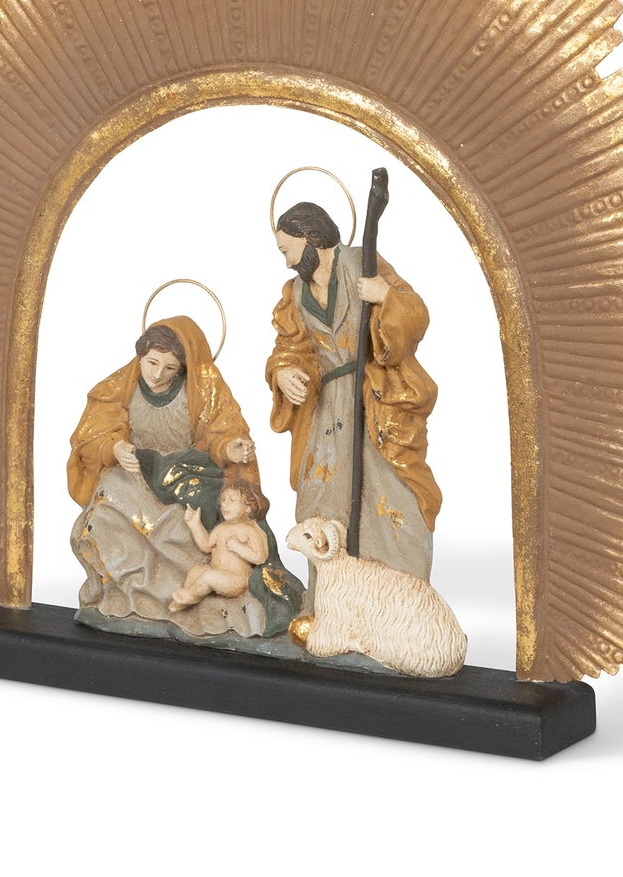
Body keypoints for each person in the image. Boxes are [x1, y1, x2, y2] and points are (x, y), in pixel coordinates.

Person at [69, 315, 301, 637]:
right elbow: (92, 434)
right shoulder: (119, 387)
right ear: (141, 356)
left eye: (169, 368)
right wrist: (115, 448)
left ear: (182, 368)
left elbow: (223, 431)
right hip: (136, 471)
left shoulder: (202, 387)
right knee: (105, 501)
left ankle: (197, 591)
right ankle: (133, 587)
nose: (156, 374)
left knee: (197, 514)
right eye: (151, 362)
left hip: (189, 474)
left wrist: (230, 448)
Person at [266, 201, 441, 598]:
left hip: (373, 400)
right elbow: (290, 346)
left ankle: (400, 601)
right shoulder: (295, 293)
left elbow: (416, 313)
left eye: (287, 250)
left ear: (309, 237)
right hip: (327, 410)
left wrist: (385, 296)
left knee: (391, 493)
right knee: (319, 498)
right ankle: (333, 602)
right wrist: (285, 371)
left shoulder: (359, 262)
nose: (287, 262)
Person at [170, 480, 270, 611]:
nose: (224, 504)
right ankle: (186, 598)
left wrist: (239, 548)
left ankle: (192, 595)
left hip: (235, 580)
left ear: (248, 507)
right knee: (196, 571)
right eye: (223, 500)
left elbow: (260, 557)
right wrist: (195, 525)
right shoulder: (221, 528)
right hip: (216, 572)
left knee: (209, 576)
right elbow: (206, 546)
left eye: (231, 500)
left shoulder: (250, 530)